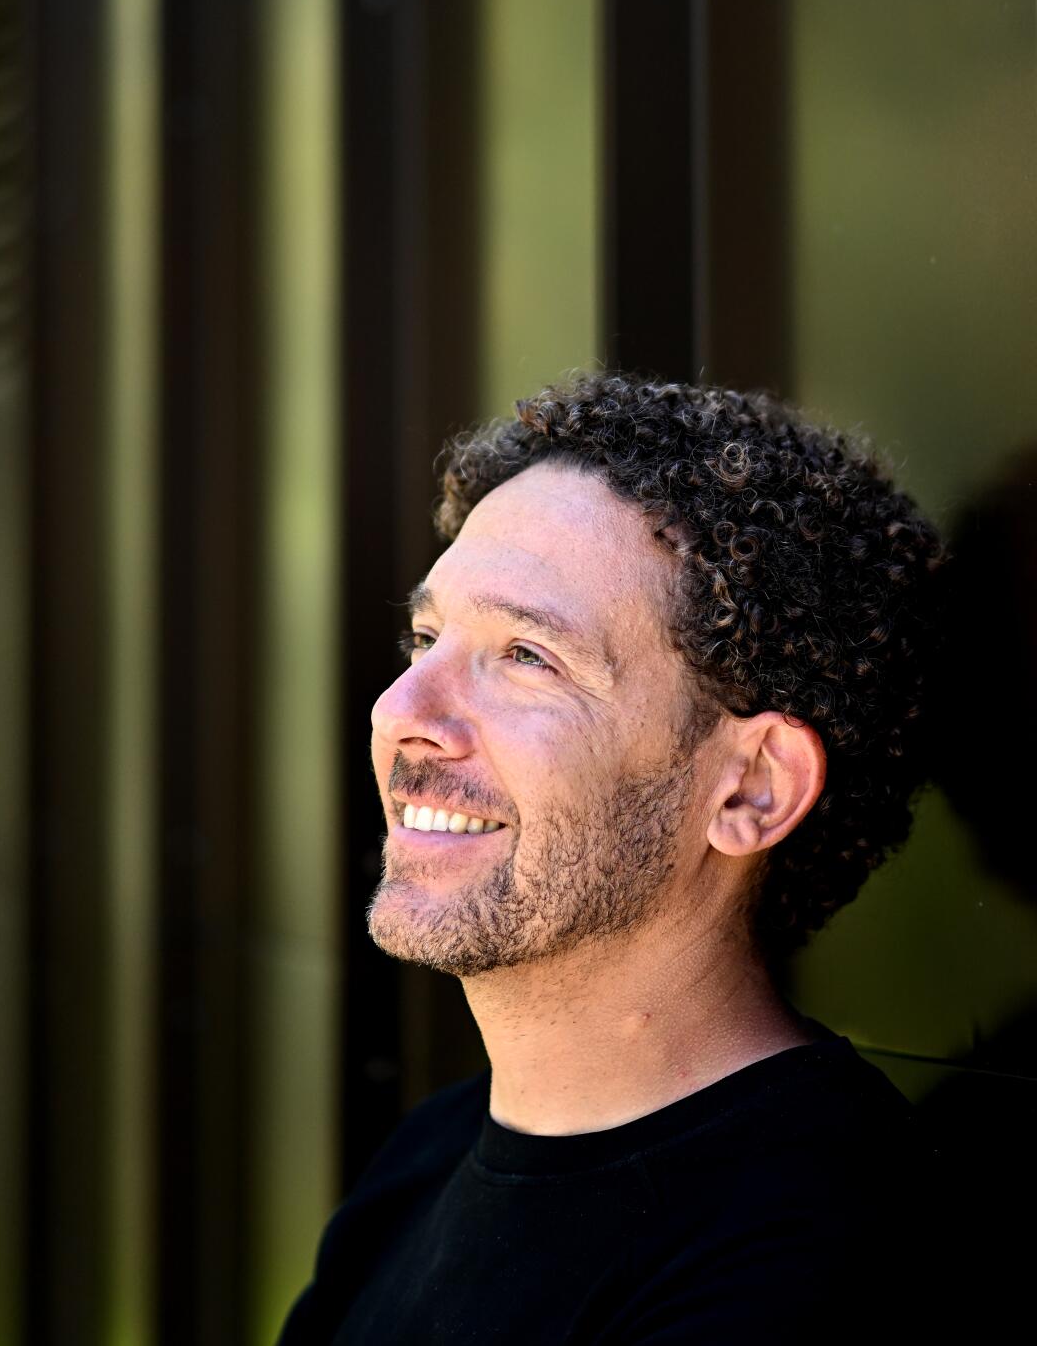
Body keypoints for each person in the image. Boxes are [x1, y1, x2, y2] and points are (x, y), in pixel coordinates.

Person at [280, 374, 952, 1343]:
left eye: (527, 657)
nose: (400, 713)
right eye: (426, 637)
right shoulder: (429, 1159)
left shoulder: (811, 1262)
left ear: (752, 787)